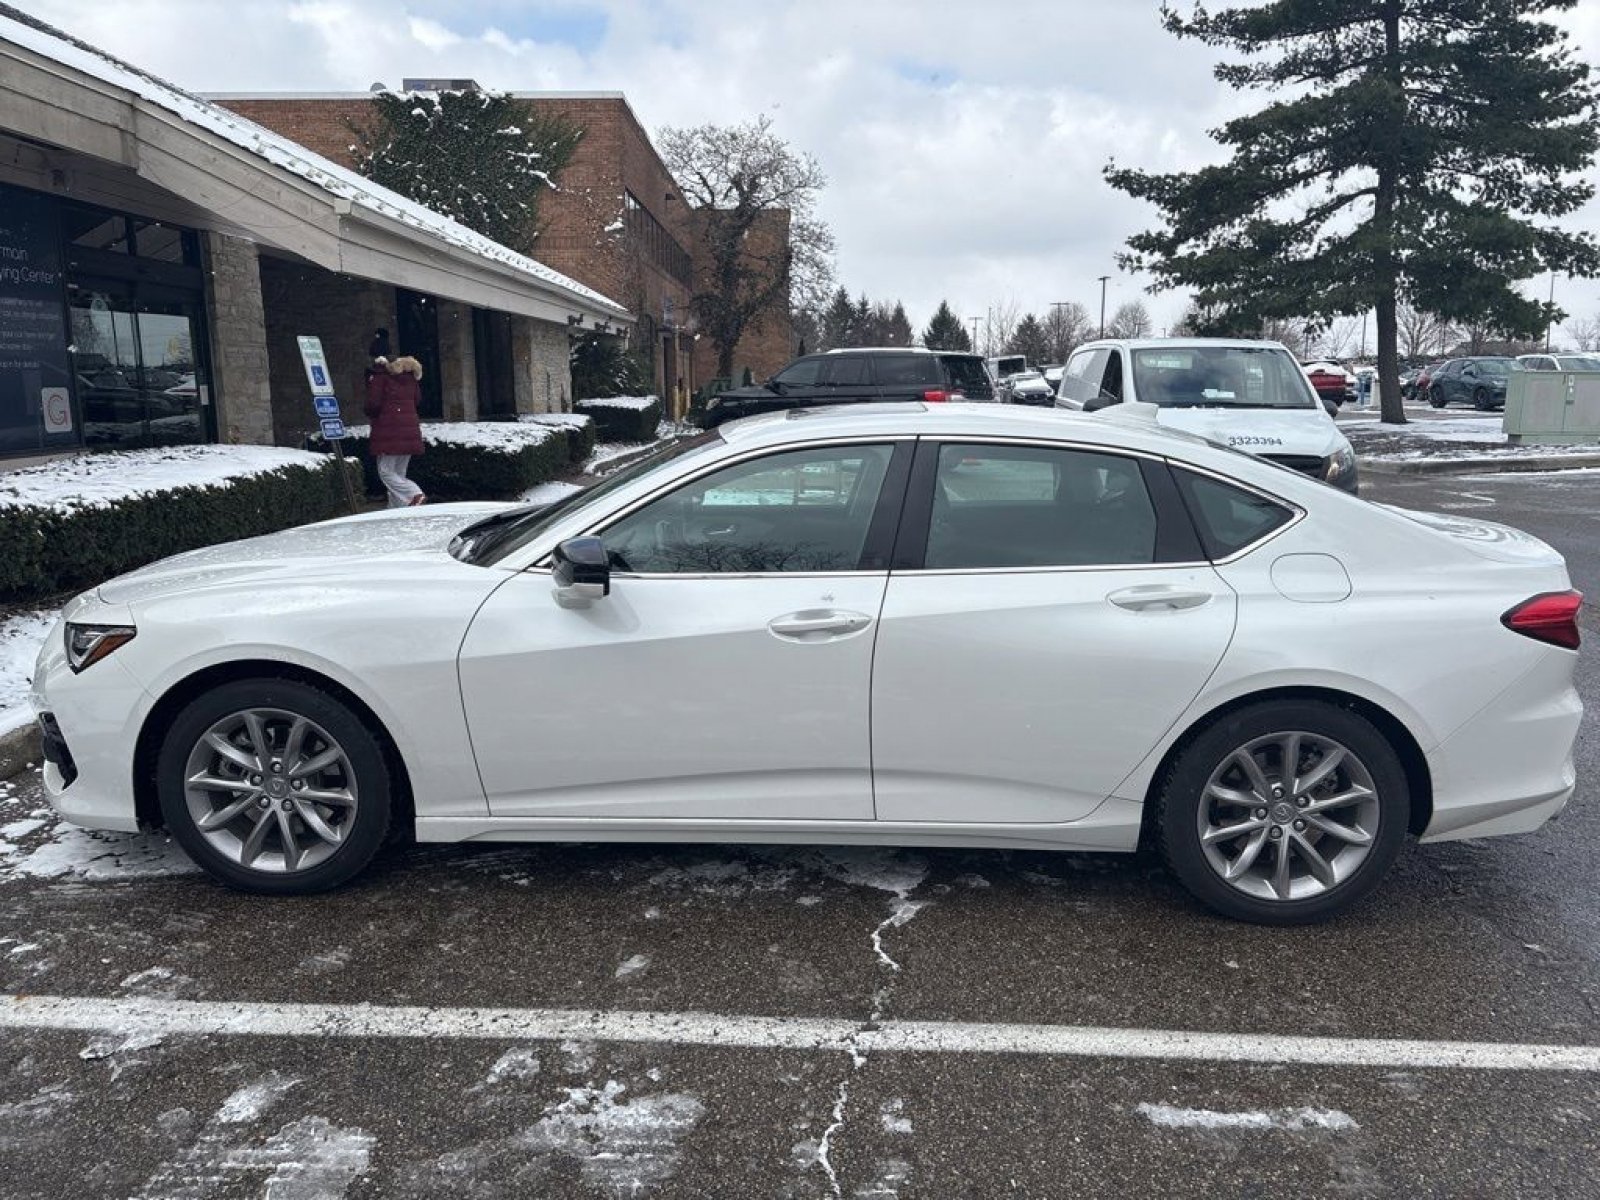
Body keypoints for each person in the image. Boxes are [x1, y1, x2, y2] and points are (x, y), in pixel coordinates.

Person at [365, 355, 426, 507]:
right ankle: (397, 508)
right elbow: (417, 400)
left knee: (385, 471)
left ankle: (414, 493)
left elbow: (373, 404)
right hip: (410, 430)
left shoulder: (381, 377)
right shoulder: (412, 380)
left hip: (389, 431)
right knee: (399, 473)